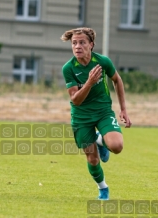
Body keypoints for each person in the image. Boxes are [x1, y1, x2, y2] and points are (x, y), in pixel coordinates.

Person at [60, 27, 132, 200]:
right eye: (74, 43)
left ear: (91, 45)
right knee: (92, 159)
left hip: (103, 112)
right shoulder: (68, 68)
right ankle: (103, 189)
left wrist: (123, 108)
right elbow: (75, 100)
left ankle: (100, 140)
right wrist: (90, 82)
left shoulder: (103, 62)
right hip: (81, 116)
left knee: (116, 146)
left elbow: (117, 80)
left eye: (82, 42)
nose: (77, 46)